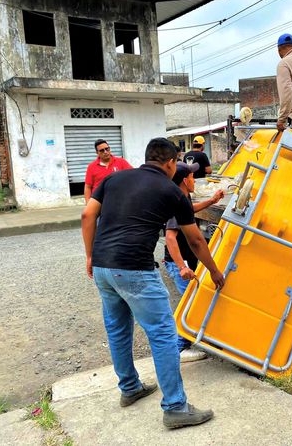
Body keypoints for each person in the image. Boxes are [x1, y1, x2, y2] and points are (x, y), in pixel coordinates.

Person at [81, 138, 225, 429]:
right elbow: (196, 240)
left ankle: (130, 387)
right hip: (134, 269)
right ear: (170, 163)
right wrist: (214, 271)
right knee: (162, 334)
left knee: (118, 329)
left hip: (103, 267)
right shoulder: (172, 191)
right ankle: (175, 407)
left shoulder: (114, 179)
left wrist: (90, 256)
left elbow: (87, 214)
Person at [163, 162, 224, 362]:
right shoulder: (176, 202)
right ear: (184, 180)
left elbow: (191, 210)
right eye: (191, 177)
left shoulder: (184, 198)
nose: (194, 180)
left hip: (184, 262)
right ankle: (180, 348)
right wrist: (181, 266)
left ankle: (190, 340)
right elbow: (170, 237)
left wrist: (212, 200)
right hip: (180, 264)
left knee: (193, 300)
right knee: (191, 302)